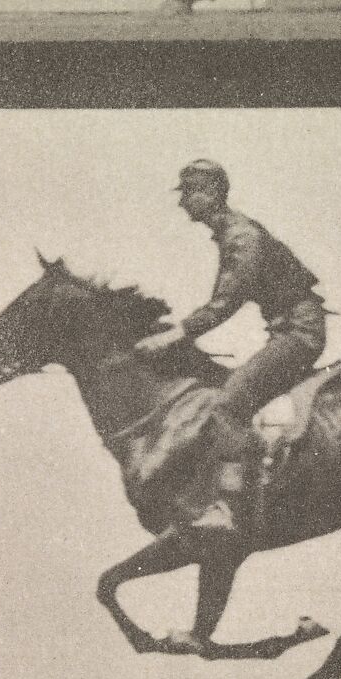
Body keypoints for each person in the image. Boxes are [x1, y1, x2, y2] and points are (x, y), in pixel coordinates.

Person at [135, 159, 328, 537]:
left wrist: (177, 334)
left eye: (187, 193)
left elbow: (226, 302)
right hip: (289, 329)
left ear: (209, 194)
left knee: (228, 402)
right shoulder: (231, 233)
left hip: (299, 333)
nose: (182, 203)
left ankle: (226, 506)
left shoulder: (241, 236)